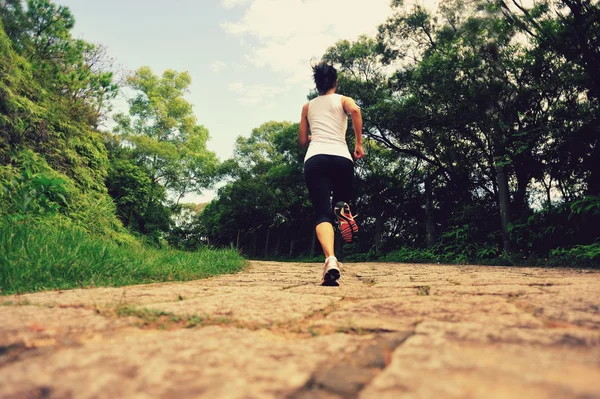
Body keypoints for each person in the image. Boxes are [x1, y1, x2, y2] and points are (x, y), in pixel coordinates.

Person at [299, 62, 364, 286]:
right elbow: (355, 111)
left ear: (317, 84)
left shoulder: (308, 107)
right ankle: (342, 207)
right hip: (341, 158)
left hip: (316, 158)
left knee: (322, 213)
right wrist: (358, 143)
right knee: (339, 201)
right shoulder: (343, 100)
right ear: (335, 82)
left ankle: (330, 259)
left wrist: (312, 137)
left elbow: (302, 140)